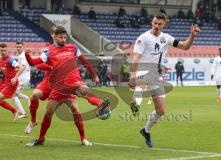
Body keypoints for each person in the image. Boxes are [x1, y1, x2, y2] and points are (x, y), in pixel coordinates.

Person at [24, 25, 111, 147]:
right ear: (54, 37)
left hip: (73, 81)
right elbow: (33, 63)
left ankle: (86, 133)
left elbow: (84, 61)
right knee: (48, 112)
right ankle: (40, 138)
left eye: (65, 37)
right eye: (61, 37)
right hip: (59, 87)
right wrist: (27, 55)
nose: (63, 39)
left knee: (82, 94)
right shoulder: (49, 52)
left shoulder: (73, 48)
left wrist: (94, 74)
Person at [128, 12, 200, 148]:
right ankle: (136, 104)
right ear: (152, 22)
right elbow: (136, 57)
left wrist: (192, 35)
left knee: (161, 111)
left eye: (159, 24)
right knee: (141, 83)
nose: (156, 26)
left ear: (164, 24)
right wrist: (132, 76)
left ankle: (146, 130)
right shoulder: (143, 38)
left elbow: (185, 47)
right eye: (154, 23)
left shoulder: (166, 38)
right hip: (143, 70)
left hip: (157, 76)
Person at [0, 43, 24, 122]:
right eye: (1, 50)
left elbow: (21, 67)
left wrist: (15, 77)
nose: (3, 52)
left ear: (7, 51)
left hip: (11, 83)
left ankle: (15, 110)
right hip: (5, 82)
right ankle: (14, 110)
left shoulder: (10, 60)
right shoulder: (1, 59)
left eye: (4, 50)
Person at [12, 41, 30, 118]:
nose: (18, 48)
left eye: (20, 47)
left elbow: (22, 67)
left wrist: (15, 77)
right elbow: (20, 67)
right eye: (17, 47)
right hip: (23, 78)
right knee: (16, 94)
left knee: (14, 96)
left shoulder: (22, 56)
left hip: (23, 78)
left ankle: (23, 113)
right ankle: (29, 98)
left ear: (23, 47)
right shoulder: (21, 55)